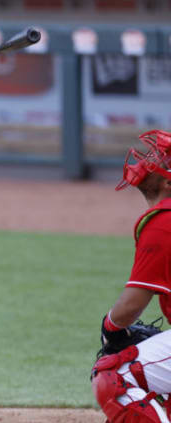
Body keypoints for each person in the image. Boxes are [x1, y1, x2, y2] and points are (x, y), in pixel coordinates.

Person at [91, 129, 171, 423]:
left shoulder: (164, 221)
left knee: (113, 375)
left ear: (167, 180)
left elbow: (131, 307)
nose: (150, 160)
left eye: (161, 159)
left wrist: (110, 327)